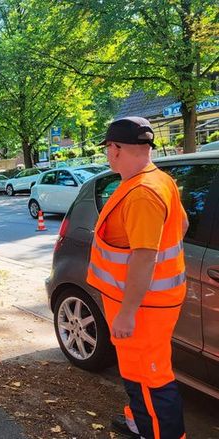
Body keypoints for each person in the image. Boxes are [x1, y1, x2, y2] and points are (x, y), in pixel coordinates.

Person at [87, 117, 187, 439]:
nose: (106, 155)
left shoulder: (142, 193)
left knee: (151, 378)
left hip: (143, 309)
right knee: (137, 372)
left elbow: (146, 256)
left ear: (116, 149)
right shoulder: (158, 180)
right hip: (145, 304)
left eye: (107, 149)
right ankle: (139, 421)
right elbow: (181, 225)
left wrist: (128, 312)